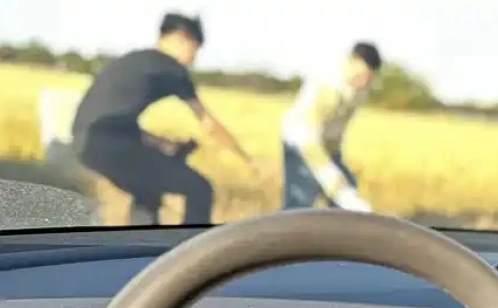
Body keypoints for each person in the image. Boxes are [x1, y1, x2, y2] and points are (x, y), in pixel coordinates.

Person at [71, 13, 258, 225]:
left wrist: (161, 143)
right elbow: (208, 124)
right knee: (199, 189)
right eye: (195, 49)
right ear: (182, 38)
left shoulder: (135, 60)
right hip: (109, 146)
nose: (194, 58)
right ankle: (192, 244)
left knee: (148, 187)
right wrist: (247, 160)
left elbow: (112, 118)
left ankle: (142, 241)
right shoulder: (172, 69)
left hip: (86, 142)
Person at [281, 42, 382, 212]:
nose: (365, 80)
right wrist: (336, 186)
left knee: (347, 192)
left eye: (370, 77)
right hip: (300, 142)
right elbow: (308, 141)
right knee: (300, 202)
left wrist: (341, 185)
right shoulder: (328, 87)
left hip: (328, 144)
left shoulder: (361, 91)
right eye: (363, 73)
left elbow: (339, 128)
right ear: (352, 61)